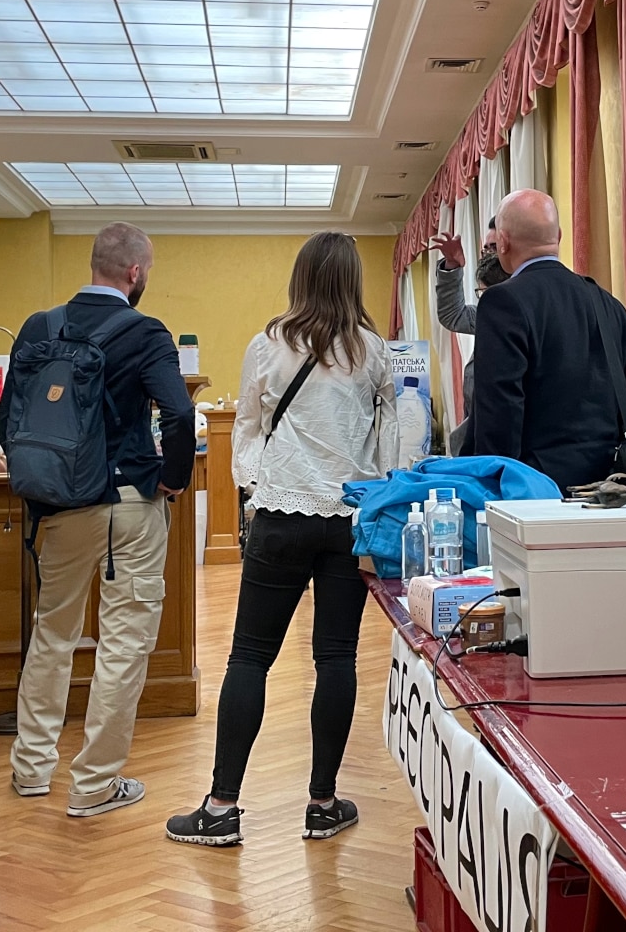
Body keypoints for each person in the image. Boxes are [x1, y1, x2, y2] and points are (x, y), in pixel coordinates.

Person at [167, 232, 399, 847]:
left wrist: (256, 487)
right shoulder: (373, 351)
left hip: (281, 515)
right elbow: (394, 438)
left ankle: (221, 808)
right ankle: (323, 803)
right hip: (349, 521)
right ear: (352, 281)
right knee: (337, 659)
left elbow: (245, 425)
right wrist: (370, 486)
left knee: (249, 657)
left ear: (300, 279)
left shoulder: (268, 345)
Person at [0, 222, 197, 817]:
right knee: (122, 645)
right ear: (135, 273)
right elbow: (181, 413)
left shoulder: (39, 326)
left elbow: (13, 417)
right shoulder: (144, 332)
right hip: (126, 505)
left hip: (57, 506)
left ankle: (31, 769)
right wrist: (172, 478)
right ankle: (94, 785)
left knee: (50, 635)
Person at [466, 189, 626, 489]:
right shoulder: (607, 304)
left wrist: (492, 488)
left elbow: (499, 410)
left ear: (503, 241)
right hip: (608, 486)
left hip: (535, 488)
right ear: (559, 236)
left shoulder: (502, 302)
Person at [428, 217, 511, 452]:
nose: (486, 254)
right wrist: (453, 266)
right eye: (485, 248)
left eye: (493, 247)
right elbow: (453, 315)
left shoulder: (532, 306)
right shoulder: (489, 313)